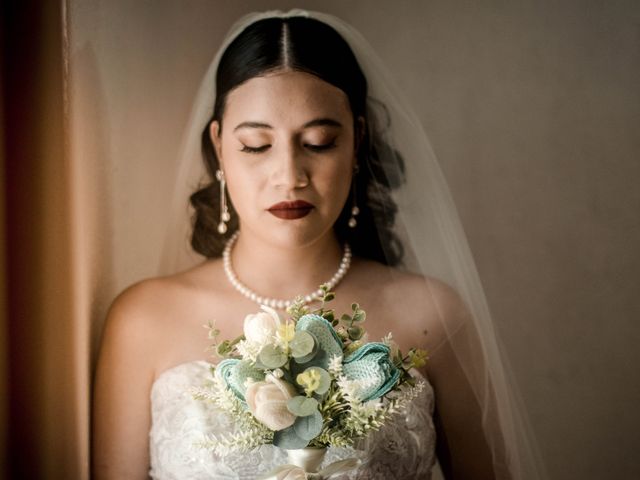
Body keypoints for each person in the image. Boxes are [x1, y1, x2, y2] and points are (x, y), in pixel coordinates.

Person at [93, 9, 546, 480]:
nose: (289, 176)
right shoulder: (143, 319)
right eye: (255, 145)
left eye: (319, 141)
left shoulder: (433, 315)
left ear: (356, 144)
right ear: (220, 147)